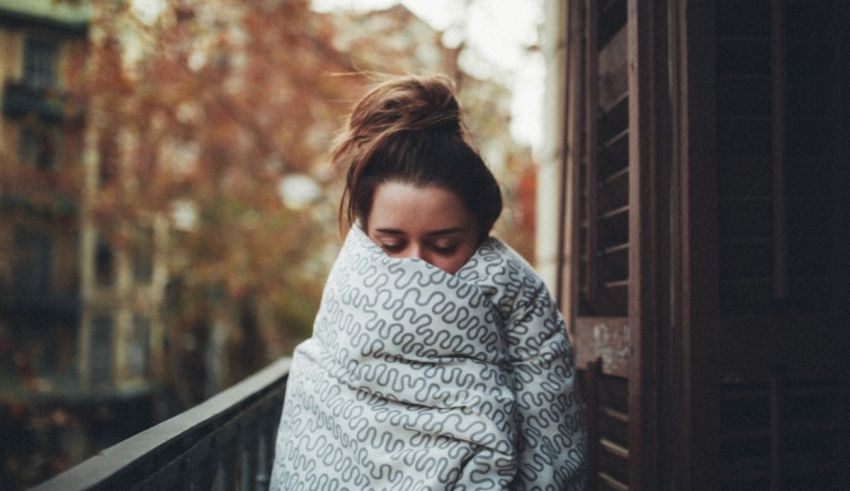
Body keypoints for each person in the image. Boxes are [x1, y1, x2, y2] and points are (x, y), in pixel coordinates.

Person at [270, 75, 585, 490]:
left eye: (444, 245)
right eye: (392, 243)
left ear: (480, 233)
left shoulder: (522, 302)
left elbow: (552, 446)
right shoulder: (340, 312)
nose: (417, 265)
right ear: (366, 236)